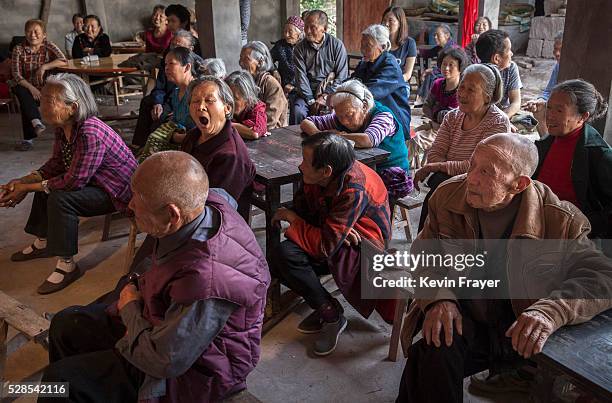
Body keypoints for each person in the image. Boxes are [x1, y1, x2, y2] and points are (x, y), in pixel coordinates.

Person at [38, 151, 270, 403]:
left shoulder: (206, 281)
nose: (130, 205)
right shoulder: (211, 201)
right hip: (162, 321)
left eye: (138, 198)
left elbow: (165, 362)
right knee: (66, 323)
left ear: (172, 215)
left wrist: (129, 308)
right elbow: (227, 197)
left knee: (61, 380)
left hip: (199, 372)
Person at [396, 133, 612, 403]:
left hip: (521, 326)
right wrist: (440, 298)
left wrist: (553, 311)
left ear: (519, 184)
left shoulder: (558, 219)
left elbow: (603, 275)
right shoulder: (448, 196)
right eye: (472, 164)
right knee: (433, 347)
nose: (471, 178)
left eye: (486, 172)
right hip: (469, 316)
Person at [0, 73, 136, 294]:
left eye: (48, 100)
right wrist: (23, 181)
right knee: (48, 185)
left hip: (117, 192)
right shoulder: (64, 127)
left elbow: (73, 181)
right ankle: (44, 241)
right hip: (95, 183)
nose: (40, 104)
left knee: (60, 197)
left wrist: (26, 188)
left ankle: (67, 265)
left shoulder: (90, 132)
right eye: (42, 98)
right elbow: (56, 164)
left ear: (73, 107)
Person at [271, 132, 392, 356]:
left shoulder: (353, 188)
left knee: (291, 258)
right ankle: (329, 307)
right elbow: (304, 207)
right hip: (334, 234)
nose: (300, 166)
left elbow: (324, 247)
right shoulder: (319, 176)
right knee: (280, 256)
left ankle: (330, 316)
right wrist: (329, 226)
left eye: (306, 163)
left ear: (326, 171)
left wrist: (294, 219)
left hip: (364, 249)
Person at [414, 63, 511, 231]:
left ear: (487, 97)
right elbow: (435, 153)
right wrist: (441, 167)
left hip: (478, 189)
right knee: (435, 201)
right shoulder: (452, 117)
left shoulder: (498, 122)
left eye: (471, 90)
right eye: (462, 87)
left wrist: (439, 167)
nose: (462, 94)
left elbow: (479, 167)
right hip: (446, 183)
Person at [301, 80, 412, 199]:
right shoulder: (343, 114)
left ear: (364, 106)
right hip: (362, 169)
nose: (343, 121)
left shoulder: (383, 116)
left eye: (349, 115)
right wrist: (319, 134)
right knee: (319, 179)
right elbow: (306, 123)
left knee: (337, 186)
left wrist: (335, 136)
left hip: (390, 173)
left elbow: (368, 140)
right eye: (339, 116)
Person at [532, 79, 612, 240]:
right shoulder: (545, 144)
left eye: (559, 110)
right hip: (537, 221)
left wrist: (585, 227)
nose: (550, 115)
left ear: (582, 117)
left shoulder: (598, 155)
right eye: (549, 107)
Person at [181, 76, 256, 221]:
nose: (201, 106)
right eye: (195, 101)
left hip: (215, 224)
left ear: (227, 108)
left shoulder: (231, 155)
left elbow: (216, 210)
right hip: (186, 207)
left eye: (209, 101)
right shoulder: (192, 137)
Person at [132, 30, 203, 147]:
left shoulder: (198, 69)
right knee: (147, 103)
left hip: (177, 105)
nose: (174, 48)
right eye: (173, 44)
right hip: (170, 97)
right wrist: (158, 103)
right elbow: (159, 86)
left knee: (159, 124)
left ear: (190, 48)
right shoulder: (168, 59)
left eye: (179, 46)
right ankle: (139, 145)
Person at [10, 19, 67, 151]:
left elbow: (64, 60)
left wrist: (44, 67)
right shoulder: (18, 49)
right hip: (24, 85)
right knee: (22, 92)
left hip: (44, 85)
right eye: (29, 31)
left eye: (36, 32)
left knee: (27, 101)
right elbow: (17, 75)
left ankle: (30, 136)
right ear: (25, 33)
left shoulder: (48, 45)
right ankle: (35, 122)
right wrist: (32, 88)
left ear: (44, 34)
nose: (33, 35)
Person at [352, 24, 412, 141]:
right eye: (362, 45)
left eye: (368, 46)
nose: (362, 49)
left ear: (383, 47)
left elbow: (369, 92)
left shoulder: (390, 66)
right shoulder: (365, 63)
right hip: (374, 114)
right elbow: (352, 82)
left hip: (394, 119)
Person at [137, 47, 197, 162]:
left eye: (171, 64)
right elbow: (176, 120)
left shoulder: (197, 93)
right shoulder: (176, 92)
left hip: (193, 141)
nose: (166, 68)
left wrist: (175, 137)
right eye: (165, 64)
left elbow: (201, 130)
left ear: (187, 67)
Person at [290, 10, 348, 124]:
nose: (307, 31)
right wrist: (311, 100)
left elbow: (342, 76)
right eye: (306, 26)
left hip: (330, 93)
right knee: (298, 111)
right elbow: (301, 78)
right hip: (306, 93)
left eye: (313, 27)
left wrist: (326, 96)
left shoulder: (337, 45)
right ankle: (294, 141)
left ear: (324, 29)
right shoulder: (299, 49)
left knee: (329, 115)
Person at [240, 41, 288, 130]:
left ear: (260, 62)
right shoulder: (246, 81)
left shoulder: (271, 84)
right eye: (240, 58)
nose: (241, 63)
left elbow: (270, 121)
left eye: (246, 59)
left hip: (271, 132)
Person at [476, 29, 522, 118]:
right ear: (497, 58)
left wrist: (502, 119)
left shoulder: (511, 68)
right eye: (509, 50)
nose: (511, 54)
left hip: (503, 114)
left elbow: (516, 102)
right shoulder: (476, 74)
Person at [523, 31, 563, 136]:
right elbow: (548, 91)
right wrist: (539, 100)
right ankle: (546, 142)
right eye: (555, 49)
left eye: (561, 49)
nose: (557, 53)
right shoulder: (557, 67)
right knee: (538, 109)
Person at [423, 47, 470, 128]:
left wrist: (435, 111)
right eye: (444, 64)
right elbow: (426, 107)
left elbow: (453, 118)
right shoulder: (437, 83)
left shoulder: (463, 90)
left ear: (460, 67)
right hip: (435, 126)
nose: (446, 68)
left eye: (451, 65)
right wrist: (439, 115)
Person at [415, 24, 458, 106]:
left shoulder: (452, 48)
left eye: (438, 35)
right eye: (434, 35)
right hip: (442, 71)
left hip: (451, 73)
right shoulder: (441, 47)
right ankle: (424, 99)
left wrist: (430, 70)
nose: (435, 37)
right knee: (431, 74)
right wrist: (415, 51)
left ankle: (424, 99)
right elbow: (427, 53)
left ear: (447, 35)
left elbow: (451, 67)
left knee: (432, 75)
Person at [225, 70, 269, 140]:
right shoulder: (223, 103)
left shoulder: (257, 108)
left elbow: (254, 133)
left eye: (235, 98)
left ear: (248, 99)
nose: (229, 102)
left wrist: (226, 125)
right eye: (228, 97)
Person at [381, 5, 417, 83]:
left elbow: (407, 74)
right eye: (384, 20)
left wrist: (392, 83)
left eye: (390, 20)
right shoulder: (379, 41)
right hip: (380, 82)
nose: (386, 24)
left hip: (399, 84)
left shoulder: (410, 43)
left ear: (400, 23)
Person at [270, 16, 304, 93]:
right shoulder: (280, 45)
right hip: (282, 83)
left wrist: (292, 84)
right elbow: (268, 59)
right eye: (285, 31)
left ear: (299, 33)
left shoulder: (305, 47)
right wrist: (274, 70)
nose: (286, 35)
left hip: (301, 85)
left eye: (290, 32)